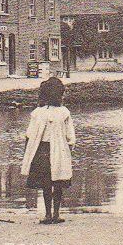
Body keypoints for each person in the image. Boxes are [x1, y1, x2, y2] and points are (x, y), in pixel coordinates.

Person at [21, 77, 75, 224]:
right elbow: (70, 135)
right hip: (59, 149)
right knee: (58, 183)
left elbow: (29, 134)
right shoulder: (64, 112)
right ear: (59, 95)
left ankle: (47, 214)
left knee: (46, 184)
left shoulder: (37, 113)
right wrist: (70, 147)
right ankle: (56, 214)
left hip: (42, 151)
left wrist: (28, 152)